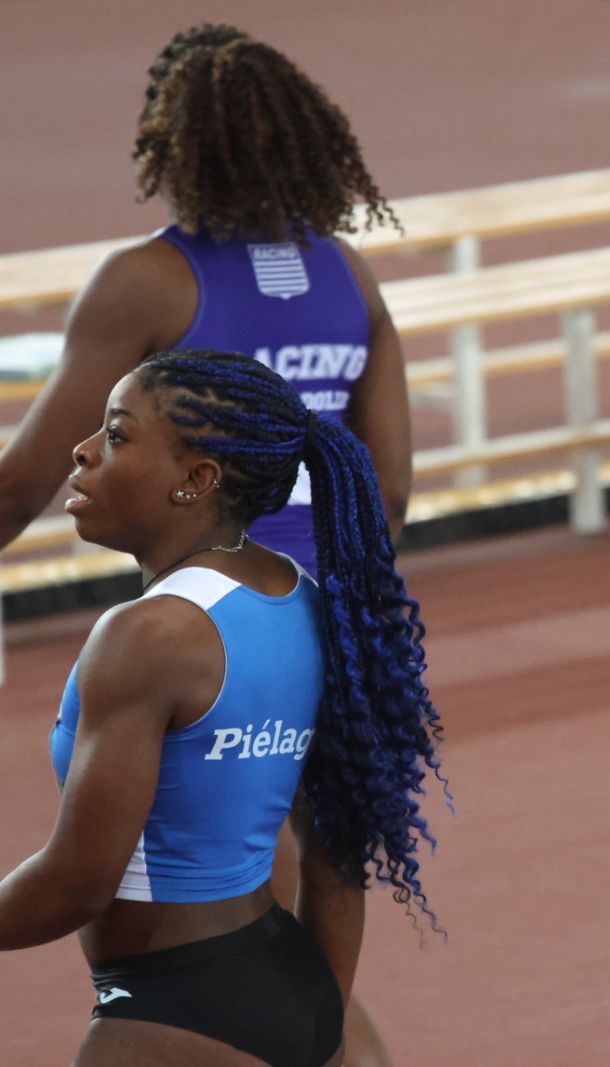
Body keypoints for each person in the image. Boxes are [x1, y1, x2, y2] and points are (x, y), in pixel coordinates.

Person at [0, 26, 412, 1060]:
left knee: (197, 899)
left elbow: (20, 478)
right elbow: (388, 485)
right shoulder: (348, 276)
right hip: (317, 621)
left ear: (174, 145)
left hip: (202, 629)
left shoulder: (147, 280)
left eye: (121, 432)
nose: (106, 448)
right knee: (268, 900)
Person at [0, 349, 444, 1066]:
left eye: (116, 435)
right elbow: (336, 855)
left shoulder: (147, 635)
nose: (81, 453)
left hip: (170, 1011)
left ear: (197, 479)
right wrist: (316, 1022)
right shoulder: (297, 595)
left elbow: (78, 881)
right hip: (285, 984)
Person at [0, 22, 411, 568]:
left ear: (163, 140)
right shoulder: (349, 271)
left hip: (206, 609)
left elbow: (19, 492)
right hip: (342, 609)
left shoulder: (146, 280)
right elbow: (391, 496)